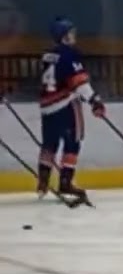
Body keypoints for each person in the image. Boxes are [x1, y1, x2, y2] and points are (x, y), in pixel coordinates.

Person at [36, 17, 104, 206]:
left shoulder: (48, 54)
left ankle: (43, 181)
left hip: (47, 106)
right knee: (73, 142)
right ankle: (65, 182)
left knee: (49, 143)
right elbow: (79, 82)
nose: (74, 36)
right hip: (65, 103)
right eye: (71, 33)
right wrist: (94, 100)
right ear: (64, 36)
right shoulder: (70, 54)